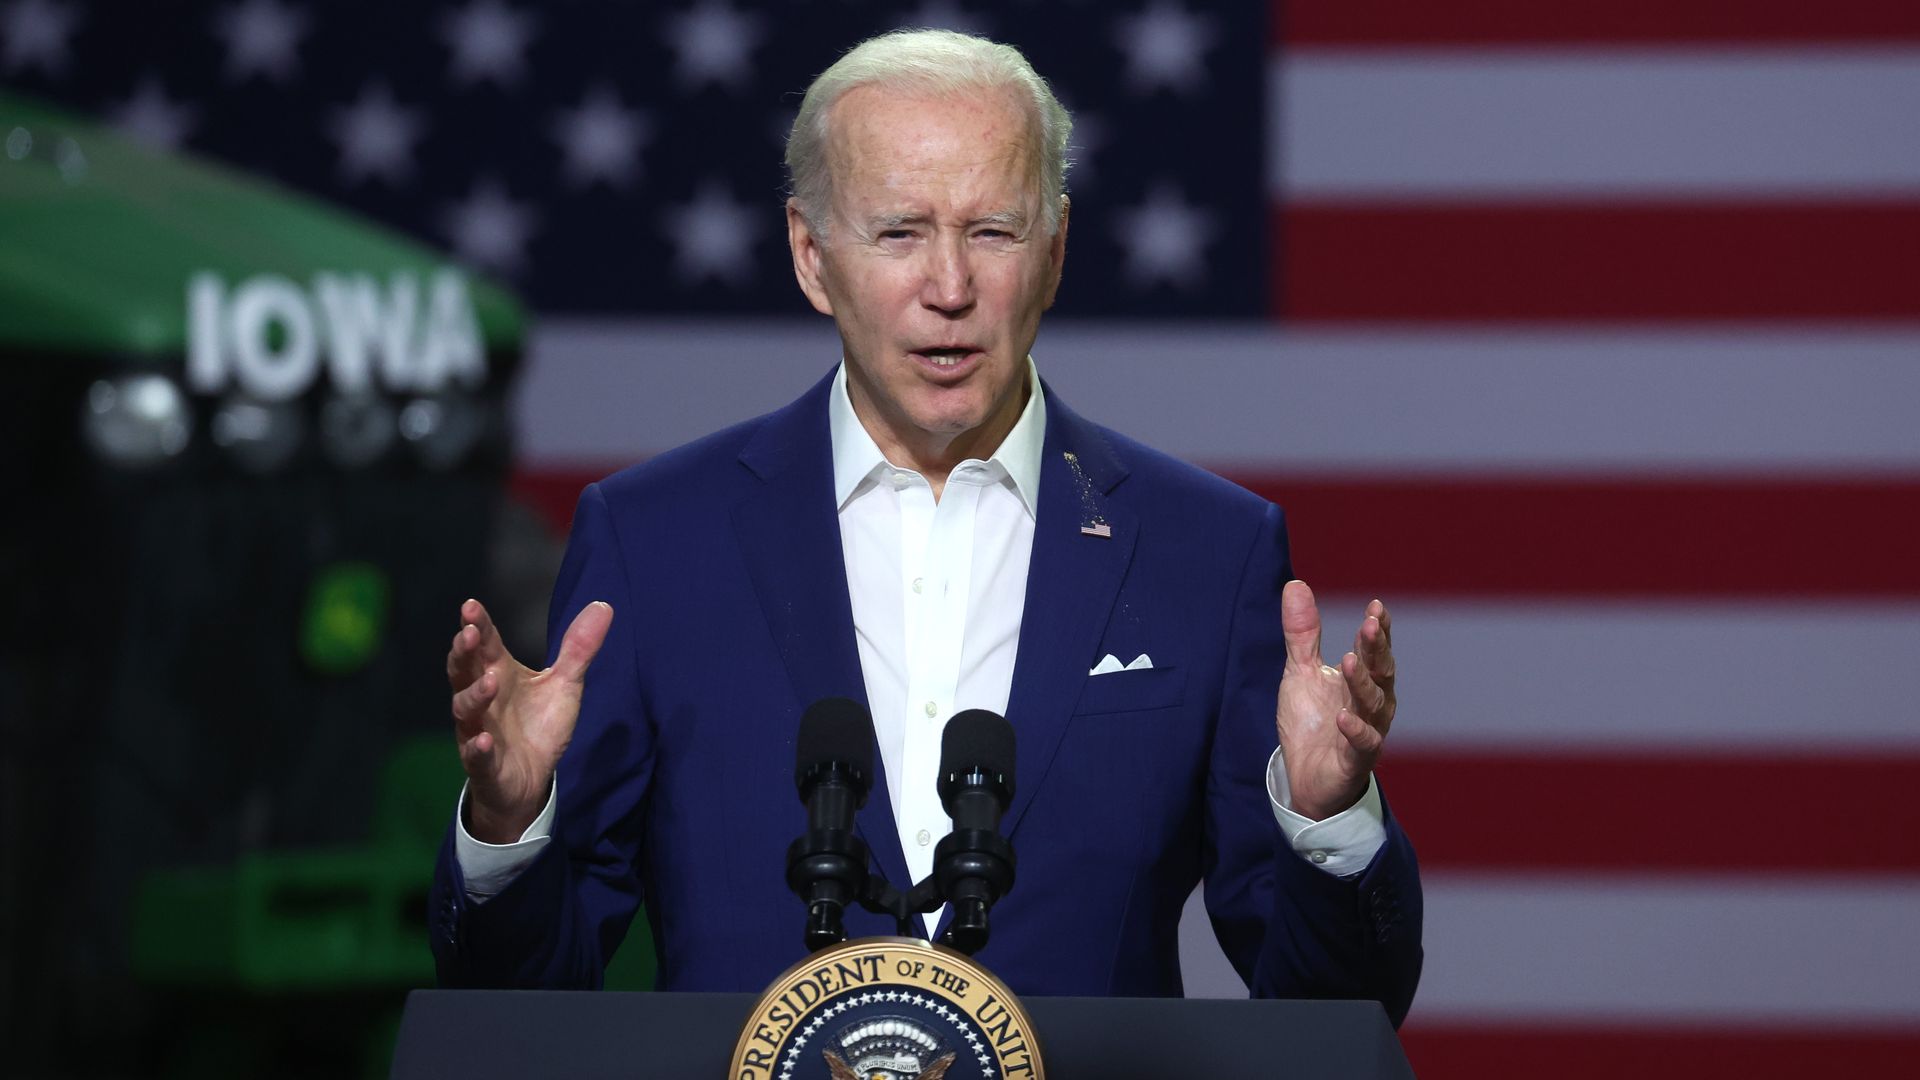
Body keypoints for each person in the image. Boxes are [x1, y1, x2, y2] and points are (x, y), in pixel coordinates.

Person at [429, 29, 1421, 1024]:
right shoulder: (654, 543)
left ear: (1057, 251)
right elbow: (526, 1010)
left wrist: (1327, 818)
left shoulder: (1206, 550)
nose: (949, 287)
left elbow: (1328, 1015)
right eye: (899, 232)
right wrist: (510, 825)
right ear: (812, 258)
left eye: (992, 231)